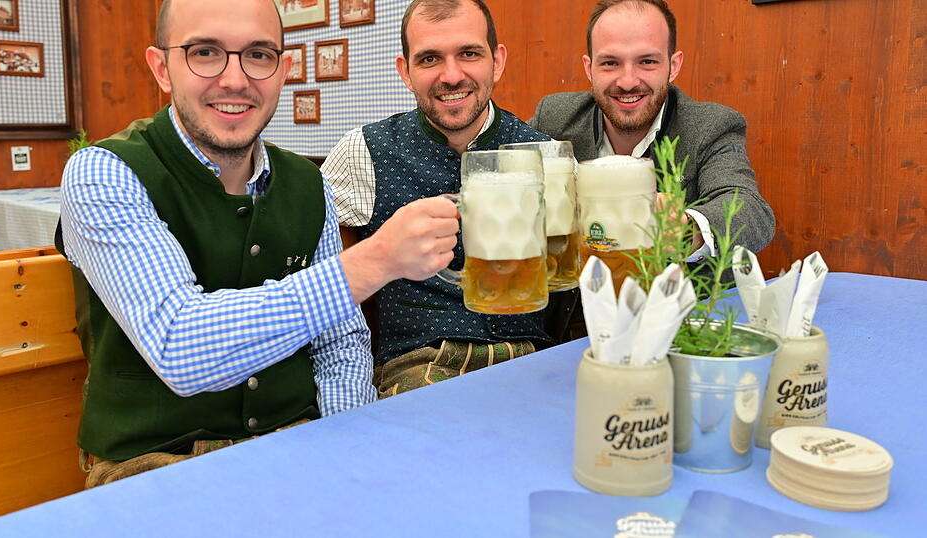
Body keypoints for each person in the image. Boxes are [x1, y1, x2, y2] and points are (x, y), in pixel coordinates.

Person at [58, 0, 459, 487]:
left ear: (283, 70)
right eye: (205, 52)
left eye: (259, 54)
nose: (234, 79)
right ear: (161, 68)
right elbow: (178, 347)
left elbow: (341, 343)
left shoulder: (308, 185)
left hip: (297, 440)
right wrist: (373, 261)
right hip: (154, 462)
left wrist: (348, 445)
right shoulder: (104, 172)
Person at [322, 0, 560, 397]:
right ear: (406, 72)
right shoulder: (361, 153)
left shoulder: (545, 156)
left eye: (469, 53)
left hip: (532, 360)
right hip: (417, 365)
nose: (452, 76)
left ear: (496, 62)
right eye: (430, 58)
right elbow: (324, 284)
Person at [528, 0, 775, 257]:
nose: (627, 82)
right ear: (589, 68)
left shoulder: (710, 126)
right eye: (610, 63)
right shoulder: (554, 117)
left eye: (647, 61)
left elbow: (750, 211)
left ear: (674, 65)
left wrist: (685, 230)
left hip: (679, 296)